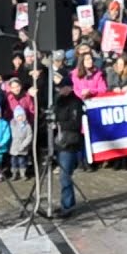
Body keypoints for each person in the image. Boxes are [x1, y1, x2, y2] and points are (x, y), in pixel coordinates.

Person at [52, 81, 84, 217]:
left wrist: (59, 123)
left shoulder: (76, 102)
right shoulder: (59, 100)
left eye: (62, 88)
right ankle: (65, 203)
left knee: (65, 175)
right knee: (62, 176)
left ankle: (68, 206)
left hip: (70, 142)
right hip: (60, 141)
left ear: (69, 88)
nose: (60, 90)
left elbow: (75, 123)